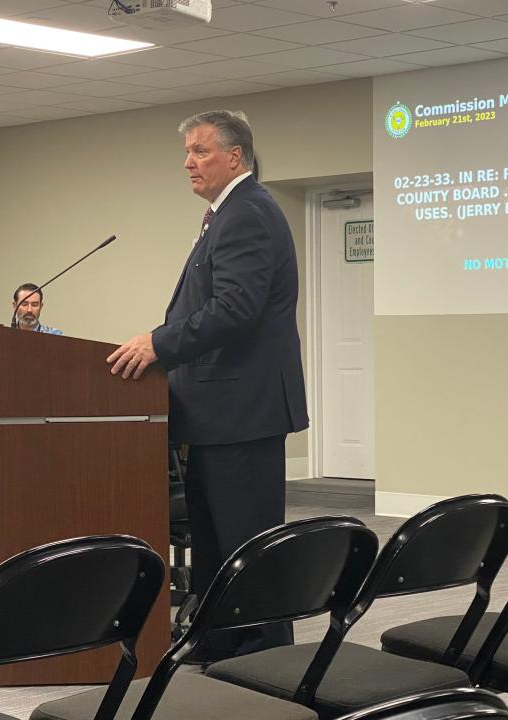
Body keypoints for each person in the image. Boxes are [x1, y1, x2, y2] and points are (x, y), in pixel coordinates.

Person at [107, 110, 308, 661]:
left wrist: (158, 343)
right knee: (217, 541)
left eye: (200, 151)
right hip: (220, 409)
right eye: (187, 153)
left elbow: (235, 309)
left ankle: (266, 653)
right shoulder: (227, 213)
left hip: (242, 407)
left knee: (247, 542)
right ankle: (221, 639)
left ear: (235, 156)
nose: (189, 163)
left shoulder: (247, 212)